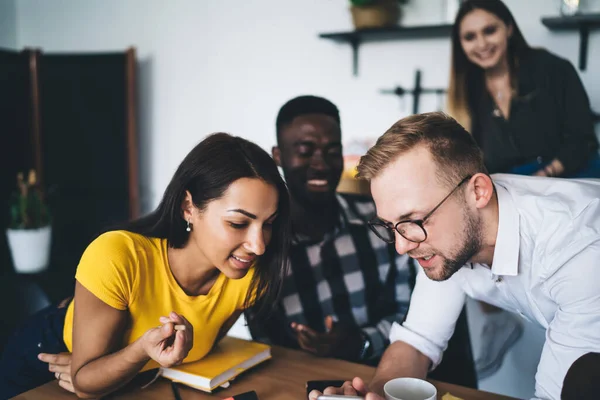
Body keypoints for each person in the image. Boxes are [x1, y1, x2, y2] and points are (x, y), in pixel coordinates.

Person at [308, 112, 600, 400]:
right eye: (390, 226)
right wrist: (374, 394)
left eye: (415, 220)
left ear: (478, 192)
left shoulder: (579, 252)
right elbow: (419, 341)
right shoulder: (451, 236)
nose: (401, 246)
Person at [0, 133, 291, 399]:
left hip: (134, 382)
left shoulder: (250, 275)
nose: (259, 245)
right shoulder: (117, 255)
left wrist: (122, 368)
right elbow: (86, 383)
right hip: (44, 361)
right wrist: (124, 359)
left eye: (269, 224)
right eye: (238, 223)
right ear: (188, 208)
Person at [247, 96, 476, 387]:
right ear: (278, 156)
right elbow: (266, 344)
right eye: (305, 151)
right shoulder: (260, 243)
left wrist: (360, 342)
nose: (320, 164)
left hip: (387, 377)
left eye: (332, 151)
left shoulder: (385, 224)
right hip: (296, 384)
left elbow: (413, 317)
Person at [446, 0, 600, 377]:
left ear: (509, 28)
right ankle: (497, 320)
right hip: (511, 193)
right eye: (469, 36)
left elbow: (583, 141)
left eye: (489, 30)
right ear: (460, 44)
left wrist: (544, 178)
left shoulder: (552, 70)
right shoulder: (467, 92)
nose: (481, 43)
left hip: (570, 184)